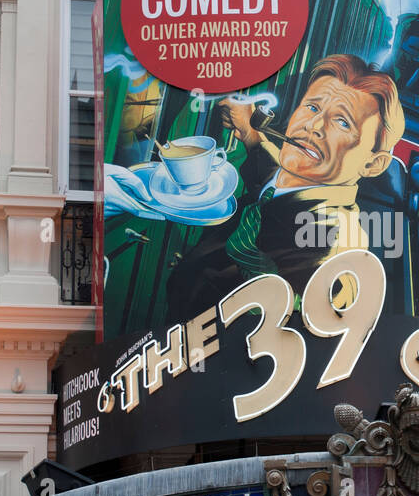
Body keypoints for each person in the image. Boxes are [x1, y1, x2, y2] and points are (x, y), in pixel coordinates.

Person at [167, 54, 404, 316]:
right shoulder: (301, 180)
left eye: (342, 122)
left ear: (373, 165)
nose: (312, 126)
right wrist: (250, 133)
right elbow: (277, 184)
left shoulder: (334, 250)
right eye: (312, 108)